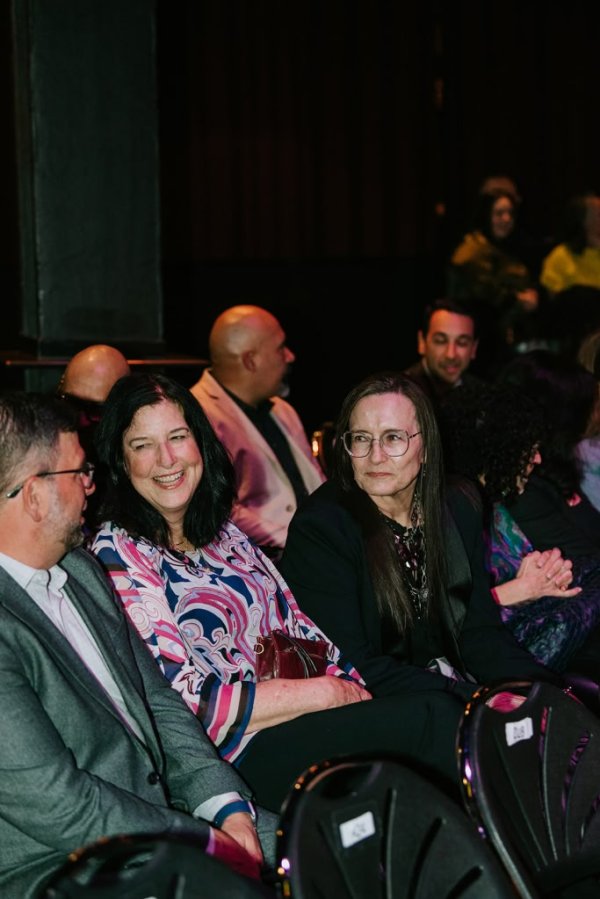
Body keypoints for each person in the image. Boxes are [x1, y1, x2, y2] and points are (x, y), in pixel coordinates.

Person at [89, 373, 470, 812]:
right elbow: (183, 702)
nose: (166, 459)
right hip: (234, 754)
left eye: (178, 437)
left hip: (301, 722)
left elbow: (301, 628)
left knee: (432, 721)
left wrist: (350, 688)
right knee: (434, 721)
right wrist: (324, 695)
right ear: (119, 460)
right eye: (143, 445)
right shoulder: (119, 550)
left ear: (200, 445)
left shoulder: (224, 535)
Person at [0, 392, 277, 899]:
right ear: (35, 495)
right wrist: (206, 842)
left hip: (158, 817)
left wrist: (226, 807)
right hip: (62, 869)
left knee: (330, 840)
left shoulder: (80, 570)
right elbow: (60, 805)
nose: (92, 486)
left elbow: (159, 702)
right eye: (79, 473)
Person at [279, 371, 559, 706]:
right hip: (371, 702)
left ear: (426, 447)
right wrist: (479, 700)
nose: (376, 456)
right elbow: (352, 666)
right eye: (361, 439)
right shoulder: (322, 528)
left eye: (393, 438)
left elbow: (478, 633)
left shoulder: (458, 505)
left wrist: (543, 690)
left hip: (446, 690)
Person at [442, 384, 600, 674]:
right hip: (496, 660)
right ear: (501, 454)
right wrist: (522, 588)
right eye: (529, 450)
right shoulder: (452, 512)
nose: (537, 460)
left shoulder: (495, 506)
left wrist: (551, 572)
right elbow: (445, 624)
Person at [190, 306, 325, 559]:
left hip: (311, 548)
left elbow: (315, 483)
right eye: (280, 348)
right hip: (261, 563)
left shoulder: (283, 410)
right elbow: (219, 511)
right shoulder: (197, 415)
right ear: (250, 360)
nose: (290, 356)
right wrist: (296, 538)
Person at [447, 187, 540, 375]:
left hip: (505, 338)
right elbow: (485, 292)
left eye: (510, 213)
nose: (506, 219)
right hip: (476, 341)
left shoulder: (512, 247)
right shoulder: (471, 251)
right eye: (499, 213)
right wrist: (519, 299)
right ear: (486, 215)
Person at [57, 344, 132, 522]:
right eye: (72, 402)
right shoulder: (41, 435)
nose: (81, 418)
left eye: (95, 411)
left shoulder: (132, 457)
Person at [541, 193, 600, 354]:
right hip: (576, 340)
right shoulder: (561, 256)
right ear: (582, 221)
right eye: (596, 216)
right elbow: (553, 308)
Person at [404, 299, 485, 401]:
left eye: (462, 343)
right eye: (440, 341)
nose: (451, 354)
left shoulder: (482, 395)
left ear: (474, 348)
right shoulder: (401, 393)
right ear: (422, 342)